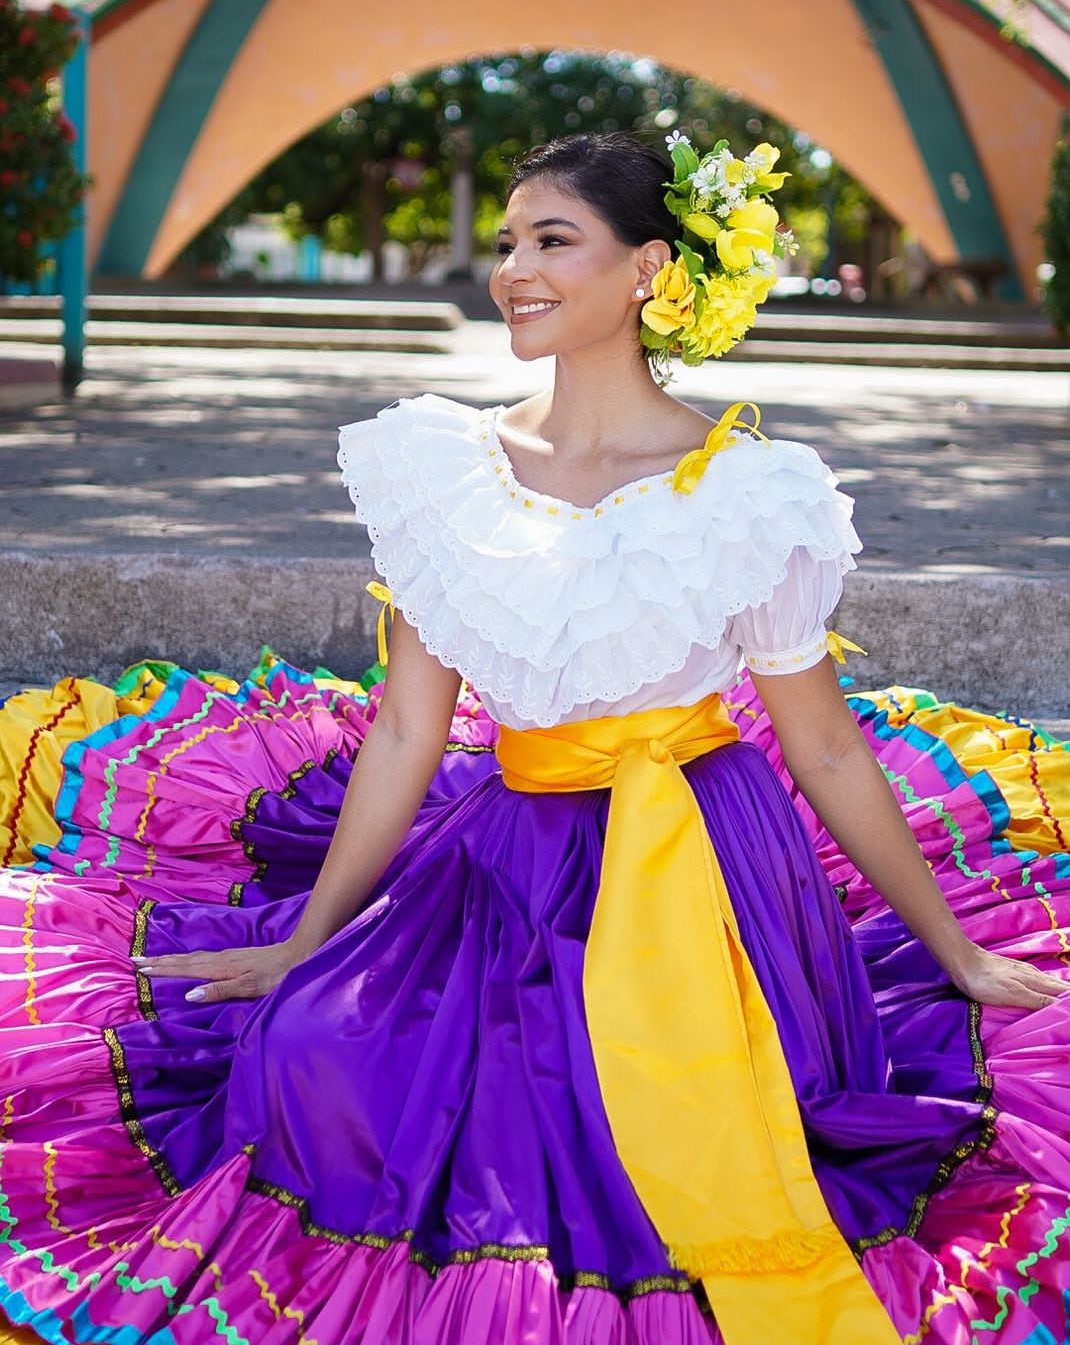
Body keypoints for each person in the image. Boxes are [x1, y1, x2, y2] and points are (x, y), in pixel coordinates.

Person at [0, 131, 1068, 1345]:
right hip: (505, 853)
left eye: (553, 239)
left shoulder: (748, 493)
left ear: (649, 269)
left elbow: (820, 750)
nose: (513, 267)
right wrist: (309, 932)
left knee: (654, 1121)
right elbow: (408, 724)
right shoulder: (447, 471)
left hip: (713, 866)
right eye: (509, 241)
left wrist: (954, 952)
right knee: (306, 1053)